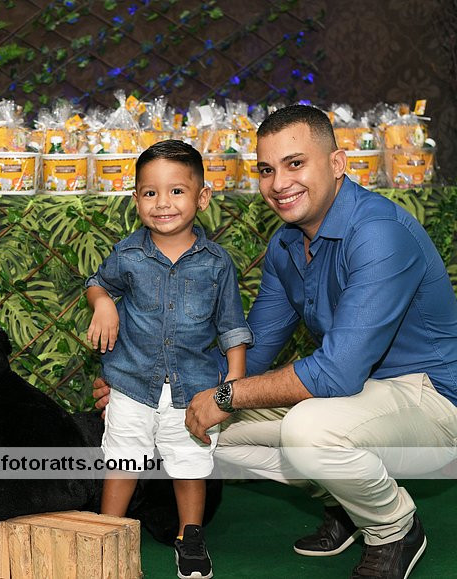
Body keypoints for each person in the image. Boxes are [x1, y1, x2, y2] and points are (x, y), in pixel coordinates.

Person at [94, 105, 457, 579]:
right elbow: (259, 346)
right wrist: (151, 386)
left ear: (337, 163)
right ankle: (348, 503)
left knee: (306, 430)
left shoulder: (379, 234)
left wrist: (224, 396)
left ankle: (393, 528)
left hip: (431, 396)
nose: (279, 183)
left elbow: (337, 371)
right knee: (194, 428)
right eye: (267, 169)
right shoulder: (287, 244)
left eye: (295, 163)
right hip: (357, 396)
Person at [85, 139, 252, 579]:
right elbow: (97, 283)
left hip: (193, 387)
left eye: (177, 191)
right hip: (131, 382)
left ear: (203, 197)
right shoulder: (127, 254)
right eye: (150, 192)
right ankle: (107, 532)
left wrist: (233, 383)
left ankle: (189, 536)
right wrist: (103, 303)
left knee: (189, 462)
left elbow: (231, 325)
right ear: (136, 198)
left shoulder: (217, 264)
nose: (162, 203)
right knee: (123, 458)